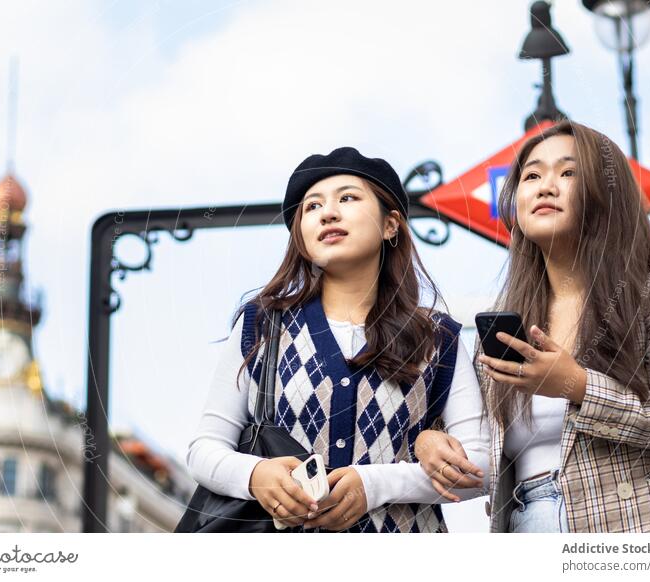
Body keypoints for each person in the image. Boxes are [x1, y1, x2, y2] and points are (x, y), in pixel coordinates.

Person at [415, 120, 650, 532]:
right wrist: (429, 441)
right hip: (527, 521)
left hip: (645, 528)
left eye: (568, 172)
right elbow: (483, 439)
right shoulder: (511, 318)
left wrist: (579, 385)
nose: (545, 185)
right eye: (531, 175)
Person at [185, 146, 489, 532]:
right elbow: (204, 450)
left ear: (390, 225)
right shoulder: (262, 325)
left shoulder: (439, 338)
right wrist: (256, 475)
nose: (327, 212)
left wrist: (376, 484)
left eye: (348, 198)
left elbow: (481, 466)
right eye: (311, 207)